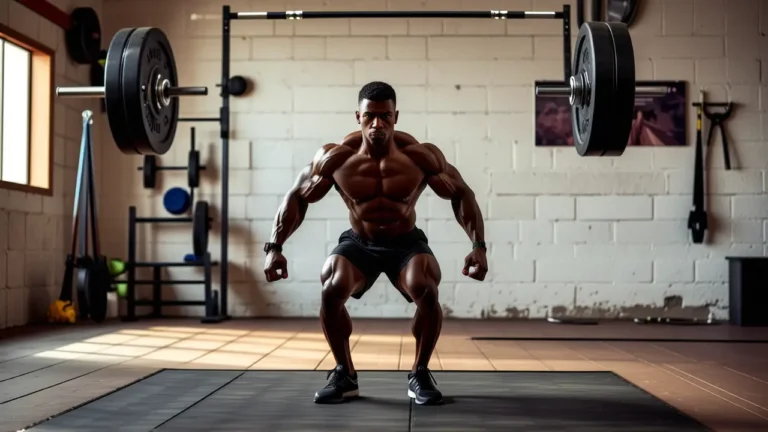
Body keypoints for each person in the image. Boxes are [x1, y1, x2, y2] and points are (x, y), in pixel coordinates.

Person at [263, 81, 488, 405]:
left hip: (405, 242)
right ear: (358, 116)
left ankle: (420, 372)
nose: (377, 124)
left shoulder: (420, 156)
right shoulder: (335, 158)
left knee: (425, 288)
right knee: (331, 286)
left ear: (396, 116)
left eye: (385, 116)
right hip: (360, 242)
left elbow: (461, 192)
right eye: (370, 116)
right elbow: (297, 196)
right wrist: (275, 248)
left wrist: (478, 245)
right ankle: (345, 373)